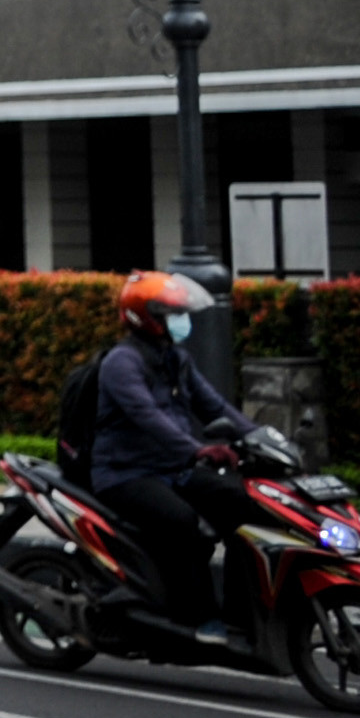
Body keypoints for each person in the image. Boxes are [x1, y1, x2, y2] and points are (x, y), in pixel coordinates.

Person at [89, 269, 251, 642]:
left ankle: (241, 613)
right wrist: (197, 450)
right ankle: (197, 618)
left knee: (242, 504)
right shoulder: (122, 362)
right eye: (172, 313)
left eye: (181, 312)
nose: (181, 320)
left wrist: (260, 437)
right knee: (184, 523)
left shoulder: (175, 358)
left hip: (172, 468)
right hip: (126, 474)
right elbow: (148, 417)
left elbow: (215, 406)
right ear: (145, 317)